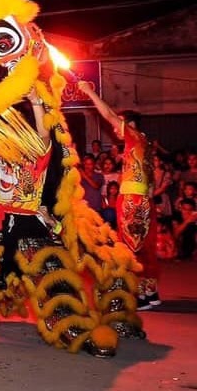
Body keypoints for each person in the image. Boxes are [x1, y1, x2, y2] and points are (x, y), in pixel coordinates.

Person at [78, 80, 160, 309]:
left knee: (131, 247)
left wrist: (89, 92)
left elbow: (108, 115)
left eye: (119, 125)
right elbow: (151, 185)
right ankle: (149, 293)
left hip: (133, 201)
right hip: (143, 199)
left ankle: (136, 294)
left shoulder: (134, 136)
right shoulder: (144, 145)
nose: (115, 130)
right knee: (144, 246)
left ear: (128, 124)